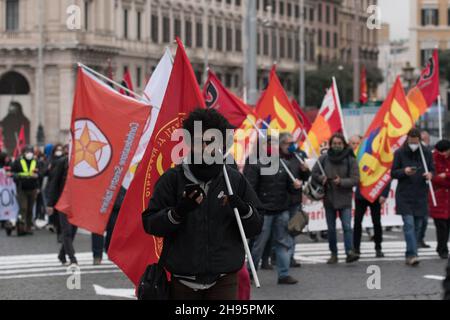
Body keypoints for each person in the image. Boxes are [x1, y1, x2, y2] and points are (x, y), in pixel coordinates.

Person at [142, 108, 262, 300]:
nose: (205, 147)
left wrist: (243, 209)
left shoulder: (234, 180)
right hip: (183, 281)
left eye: (211, 141)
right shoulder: (172, 179)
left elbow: (255, 226)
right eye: (199, 142)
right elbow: (150, 223)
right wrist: (179, 212)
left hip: (224, 279)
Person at [245, 133, 303, 285]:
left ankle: (283, 274)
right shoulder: (254, 164)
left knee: (283, 243)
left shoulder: (284, 164)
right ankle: (250, 273)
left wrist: (296, 186)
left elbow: (291, 189)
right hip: (264, 212)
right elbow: (250, 189)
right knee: (258, 245)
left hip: (281, 210)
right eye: (268, 144)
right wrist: (256, 209)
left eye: (274, 145)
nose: (272, 147)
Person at [312, 133, 360, 264]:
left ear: (343, 144)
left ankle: (349, 252)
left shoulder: (351, 159)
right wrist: (322, 179)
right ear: (330, 145)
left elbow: (356, 179)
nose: (337, 146)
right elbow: (314, 173)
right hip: (329, 198)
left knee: (347, 227)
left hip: (345, 198)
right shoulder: (324, 158)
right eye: (334, 144)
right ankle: (333, 253)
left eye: (339, 144)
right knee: (331, 229)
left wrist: (342, 182)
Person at [391, 128, 434, 266]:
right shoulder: (399, 153)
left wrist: (430, 175)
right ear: (407, 139)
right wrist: (404, 171)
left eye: (416, 142)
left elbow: (432, 169)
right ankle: (412, 255)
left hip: (420, 194)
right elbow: (393, 173)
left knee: (418, 226)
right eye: (411, 141)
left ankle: (410, 252)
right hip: (405, 194)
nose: (414, 144)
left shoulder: (426, 152)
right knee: (409, 225)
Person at [349, 135, 387, 258]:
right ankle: (356, 248)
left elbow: (385, 173)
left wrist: (383, 193)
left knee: (376, 222)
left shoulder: (372, 156)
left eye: (357, 143)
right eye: (353, 143)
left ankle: (378, 247)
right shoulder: (350, 157)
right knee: (357, 222)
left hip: (373, 193)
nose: (355, 146)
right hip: (360, 194)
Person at [281, 132, 311, 268]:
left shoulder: (298, 156)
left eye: (293, 143)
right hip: (281, 201)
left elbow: (305, 177)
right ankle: (278, 256)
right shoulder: (277, 158)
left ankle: (290, 257)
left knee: (292, 229)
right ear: (281, 145)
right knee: (281, 231)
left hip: (295, 200)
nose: (292, 146)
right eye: (289, 143)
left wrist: (305, 171)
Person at [46, 154, 78, 265]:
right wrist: (50, 203)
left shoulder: (83, 162)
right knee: (67, 231)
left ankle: (61, 255)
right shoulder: (62, 162)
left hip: (76, 203)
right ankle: (72, 258)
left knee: (73, 231)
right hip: (63, 202)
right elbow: (54, 183)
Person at [11, 145, 43, 235]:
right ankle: (21, 227)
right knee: (23, 208)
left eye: (30, 152)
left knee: (30, 209)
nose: (29, 154)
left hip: (33, 188)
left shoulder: (36, 161)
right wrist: (19, 176)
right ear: (23, 153)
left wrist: (37, 175)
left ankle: (28, 227)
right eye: (27, 152)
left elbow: (41, 173)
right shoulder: (18, 161)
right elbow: (12, 173)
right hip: (22, 188)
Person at [429, 140, 450, 259]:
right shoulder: (433, 159)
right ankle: (442, 249)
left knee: (447, 225)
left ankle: (442, 247)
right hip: (438, 197)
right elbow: (435, 178)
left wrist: (446, 175)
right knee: (441, 226)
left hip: (447, 197)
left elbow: (442, 178)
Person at [418, 130, 433, 248]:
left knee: (424, 218)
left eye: (426, 139)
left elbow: (433, 169)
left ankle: (420, 238)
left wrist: (431, 174)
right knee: (418, 218)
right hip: (417, 188)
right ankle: (416, 239)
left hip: (427, 188)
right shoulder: (417, 153)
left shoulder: (430, 152)